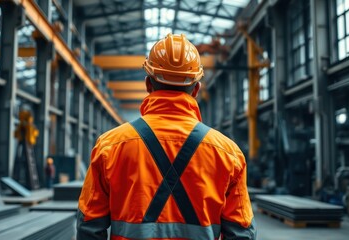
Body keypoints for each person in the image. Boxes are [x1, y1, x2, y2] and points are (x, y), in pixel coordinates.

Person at [77, 33, 256, 240]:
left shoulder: (110, 146)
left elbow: (89, 226)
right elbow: (241, 233)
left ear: (148, 85)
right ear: (196, 89)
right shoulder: (228, 154)